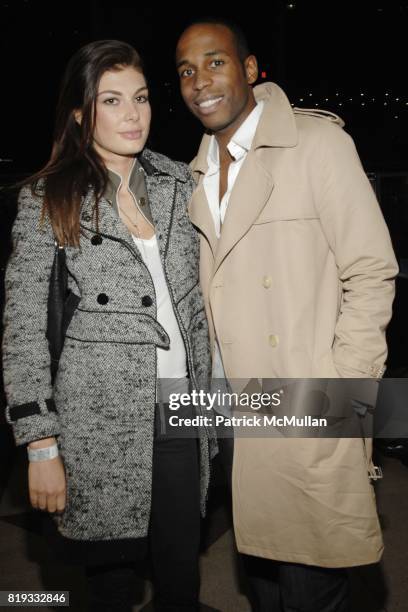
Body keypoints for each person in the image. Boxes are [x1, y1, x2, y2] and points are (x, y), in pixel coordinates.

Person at [175, 17, 398, 612]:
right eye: (187, 71)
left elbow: (372, 269)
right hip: (239, 410)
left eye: (216, 62)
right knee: (266, 579)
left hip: (312, 398)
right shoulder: (193, 174)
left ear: (250, 70)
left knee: (312, 582)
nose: (201, 81)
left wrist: (347, 386)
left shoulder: (318, 144)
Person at [2, 39, 216, 612]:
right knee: (110, 588)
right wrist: (40, 446)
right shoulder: (48, 199)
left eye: (141, 98)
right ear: (80, 112)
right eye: (111, 100)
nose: (132, 114)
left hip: (182, 409)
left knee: (180, 578)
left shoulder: (179, 184)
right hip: (98, 423)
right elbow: (23, 330)